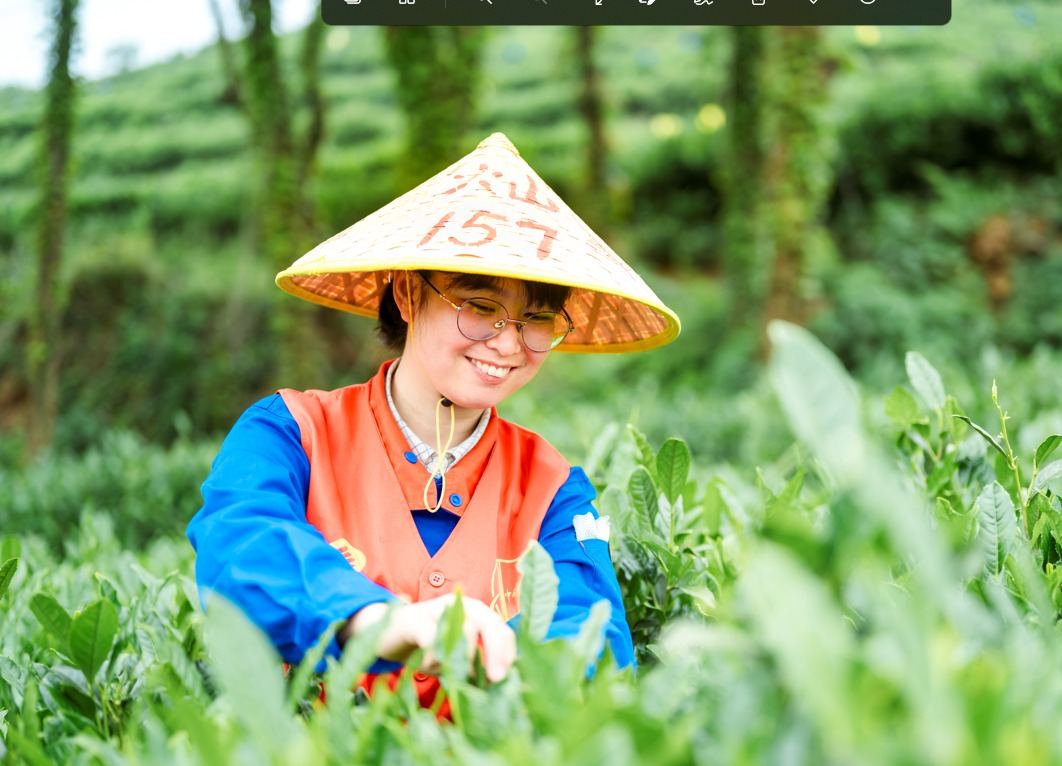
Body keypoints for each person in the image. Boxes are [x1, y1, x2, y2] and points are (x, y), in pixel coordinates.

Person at [186, 133, 680, 709]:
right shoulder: (290, 433)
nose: (509, 343)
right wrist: (379, 623)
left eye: (538, 318)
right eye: (480, 307)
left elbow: (591, 642)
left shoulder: (554, 492)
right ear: (405, 293)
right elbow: (241, 542)